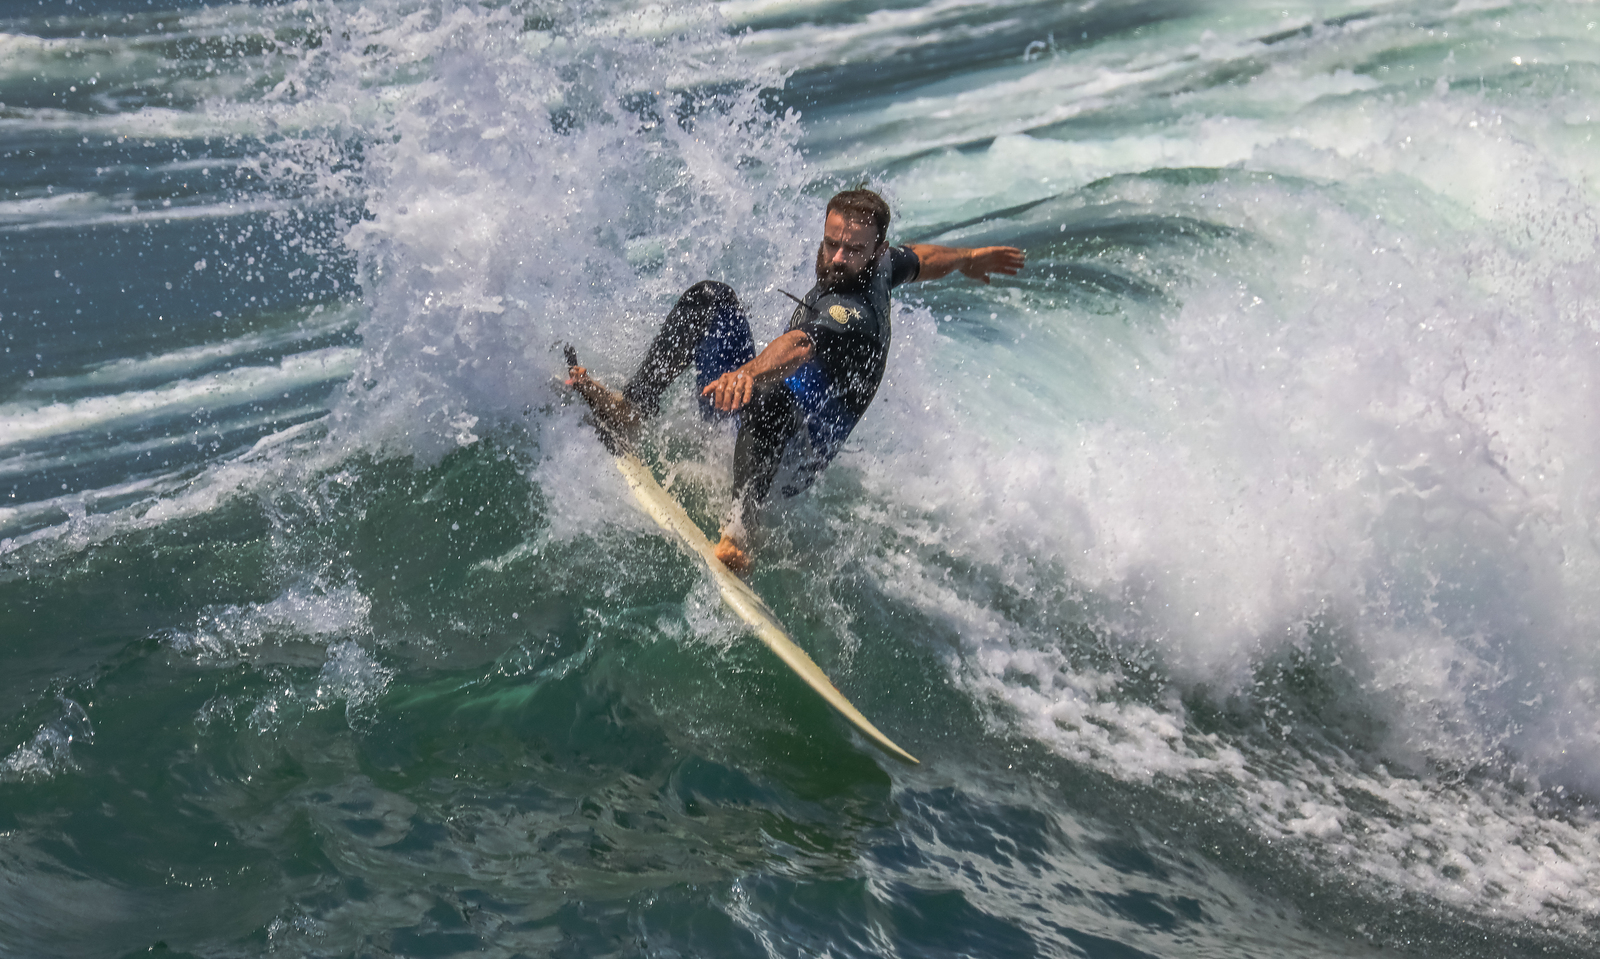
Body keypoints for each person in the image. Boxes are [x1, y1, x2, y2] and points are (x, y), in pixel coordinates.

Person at [567, 188, 1024, 574]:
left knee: (773, 399)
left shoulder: (855, 310)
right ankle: (633, 408)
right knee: (710, 299)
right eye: (831, 244)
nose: (838, 258)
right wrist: (967, 258)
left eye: (853, 250)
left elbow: (801, 345)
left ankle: (742, 532)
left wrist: (745, 374)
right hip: (758, 406)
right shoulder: (885, 264)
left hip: (795, 454)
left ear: (877, 250)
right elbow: (922, 258)